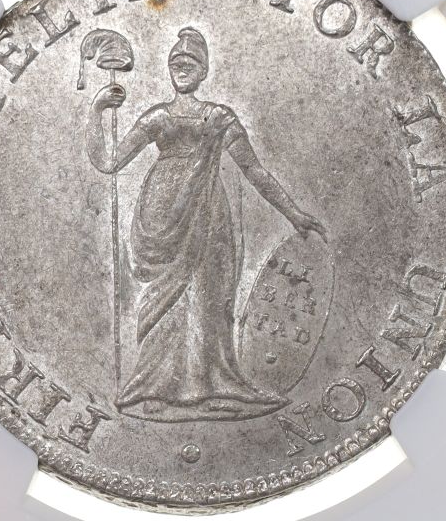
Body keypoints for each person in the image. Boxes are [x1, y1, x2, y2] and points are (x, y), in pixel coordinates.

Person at [86, 27, 326, 421]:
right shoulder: (157, 117)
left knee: (209, 295)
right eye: (176, 62)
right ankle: (154, 387)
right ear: (169, 70)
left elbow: (254, 170)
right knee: (166, 300)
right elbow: (109, 162)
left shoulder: (218, 117)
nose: (182, 68)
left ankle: (208, 385)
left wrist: (293, 213)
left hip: (208, 213)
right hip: (161, 213)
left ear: (204, 72)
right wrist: (97, 110)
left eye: (191, 63)